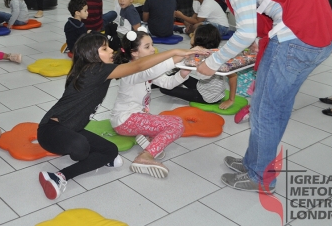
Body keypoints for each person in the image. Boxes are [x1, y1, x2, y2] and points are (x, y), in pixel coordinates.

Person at [198, 0, 332, 193]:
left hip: (294, 42)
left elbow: (244, 33)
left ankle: (260, 178)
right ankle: (254, 163)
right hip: (320, 41)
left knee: (264, 111)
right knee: (276, 107)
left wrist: (212, 63)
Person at [37, 32, 200, 199]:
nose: (111, 51)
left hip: (74, 129)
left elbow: (148, 71)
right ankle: (60, 174)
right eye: (105, 48)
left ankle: (62, 173)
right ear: (91, 54)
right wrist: (174, 52)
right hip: (51, 130)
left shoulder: (98, 70)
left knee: (111, 151)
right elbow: (138, 67)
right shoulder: (94, 70)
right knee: (80, 147)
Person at [112, 28, 200, 178]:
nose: (153, 50)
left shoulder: (146, 69)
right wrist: (179, 55)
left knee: (167, 122)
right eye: (147, 47)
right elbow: (152, 71)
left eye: (152, 45)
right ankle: (145, 156)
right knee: (176, 124)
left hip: (134, 118)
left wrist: (184, 72)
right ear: (134, 52)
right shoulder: (129, 70)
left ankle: (147, 139)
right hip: (126, 120)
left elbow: (168, 83)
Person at [160, 24, 237, 109]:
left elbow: (233, 76)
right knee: (176, 74)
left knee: (164, 88)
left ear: (199, 39)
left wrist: (231, 100)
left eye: (193, 34)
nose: (191, 36)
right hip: (203, 86)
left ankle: (158, 83)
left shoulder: (215, 58)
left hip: (207, 97)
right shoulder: (206, 52)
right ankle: (157, 81)